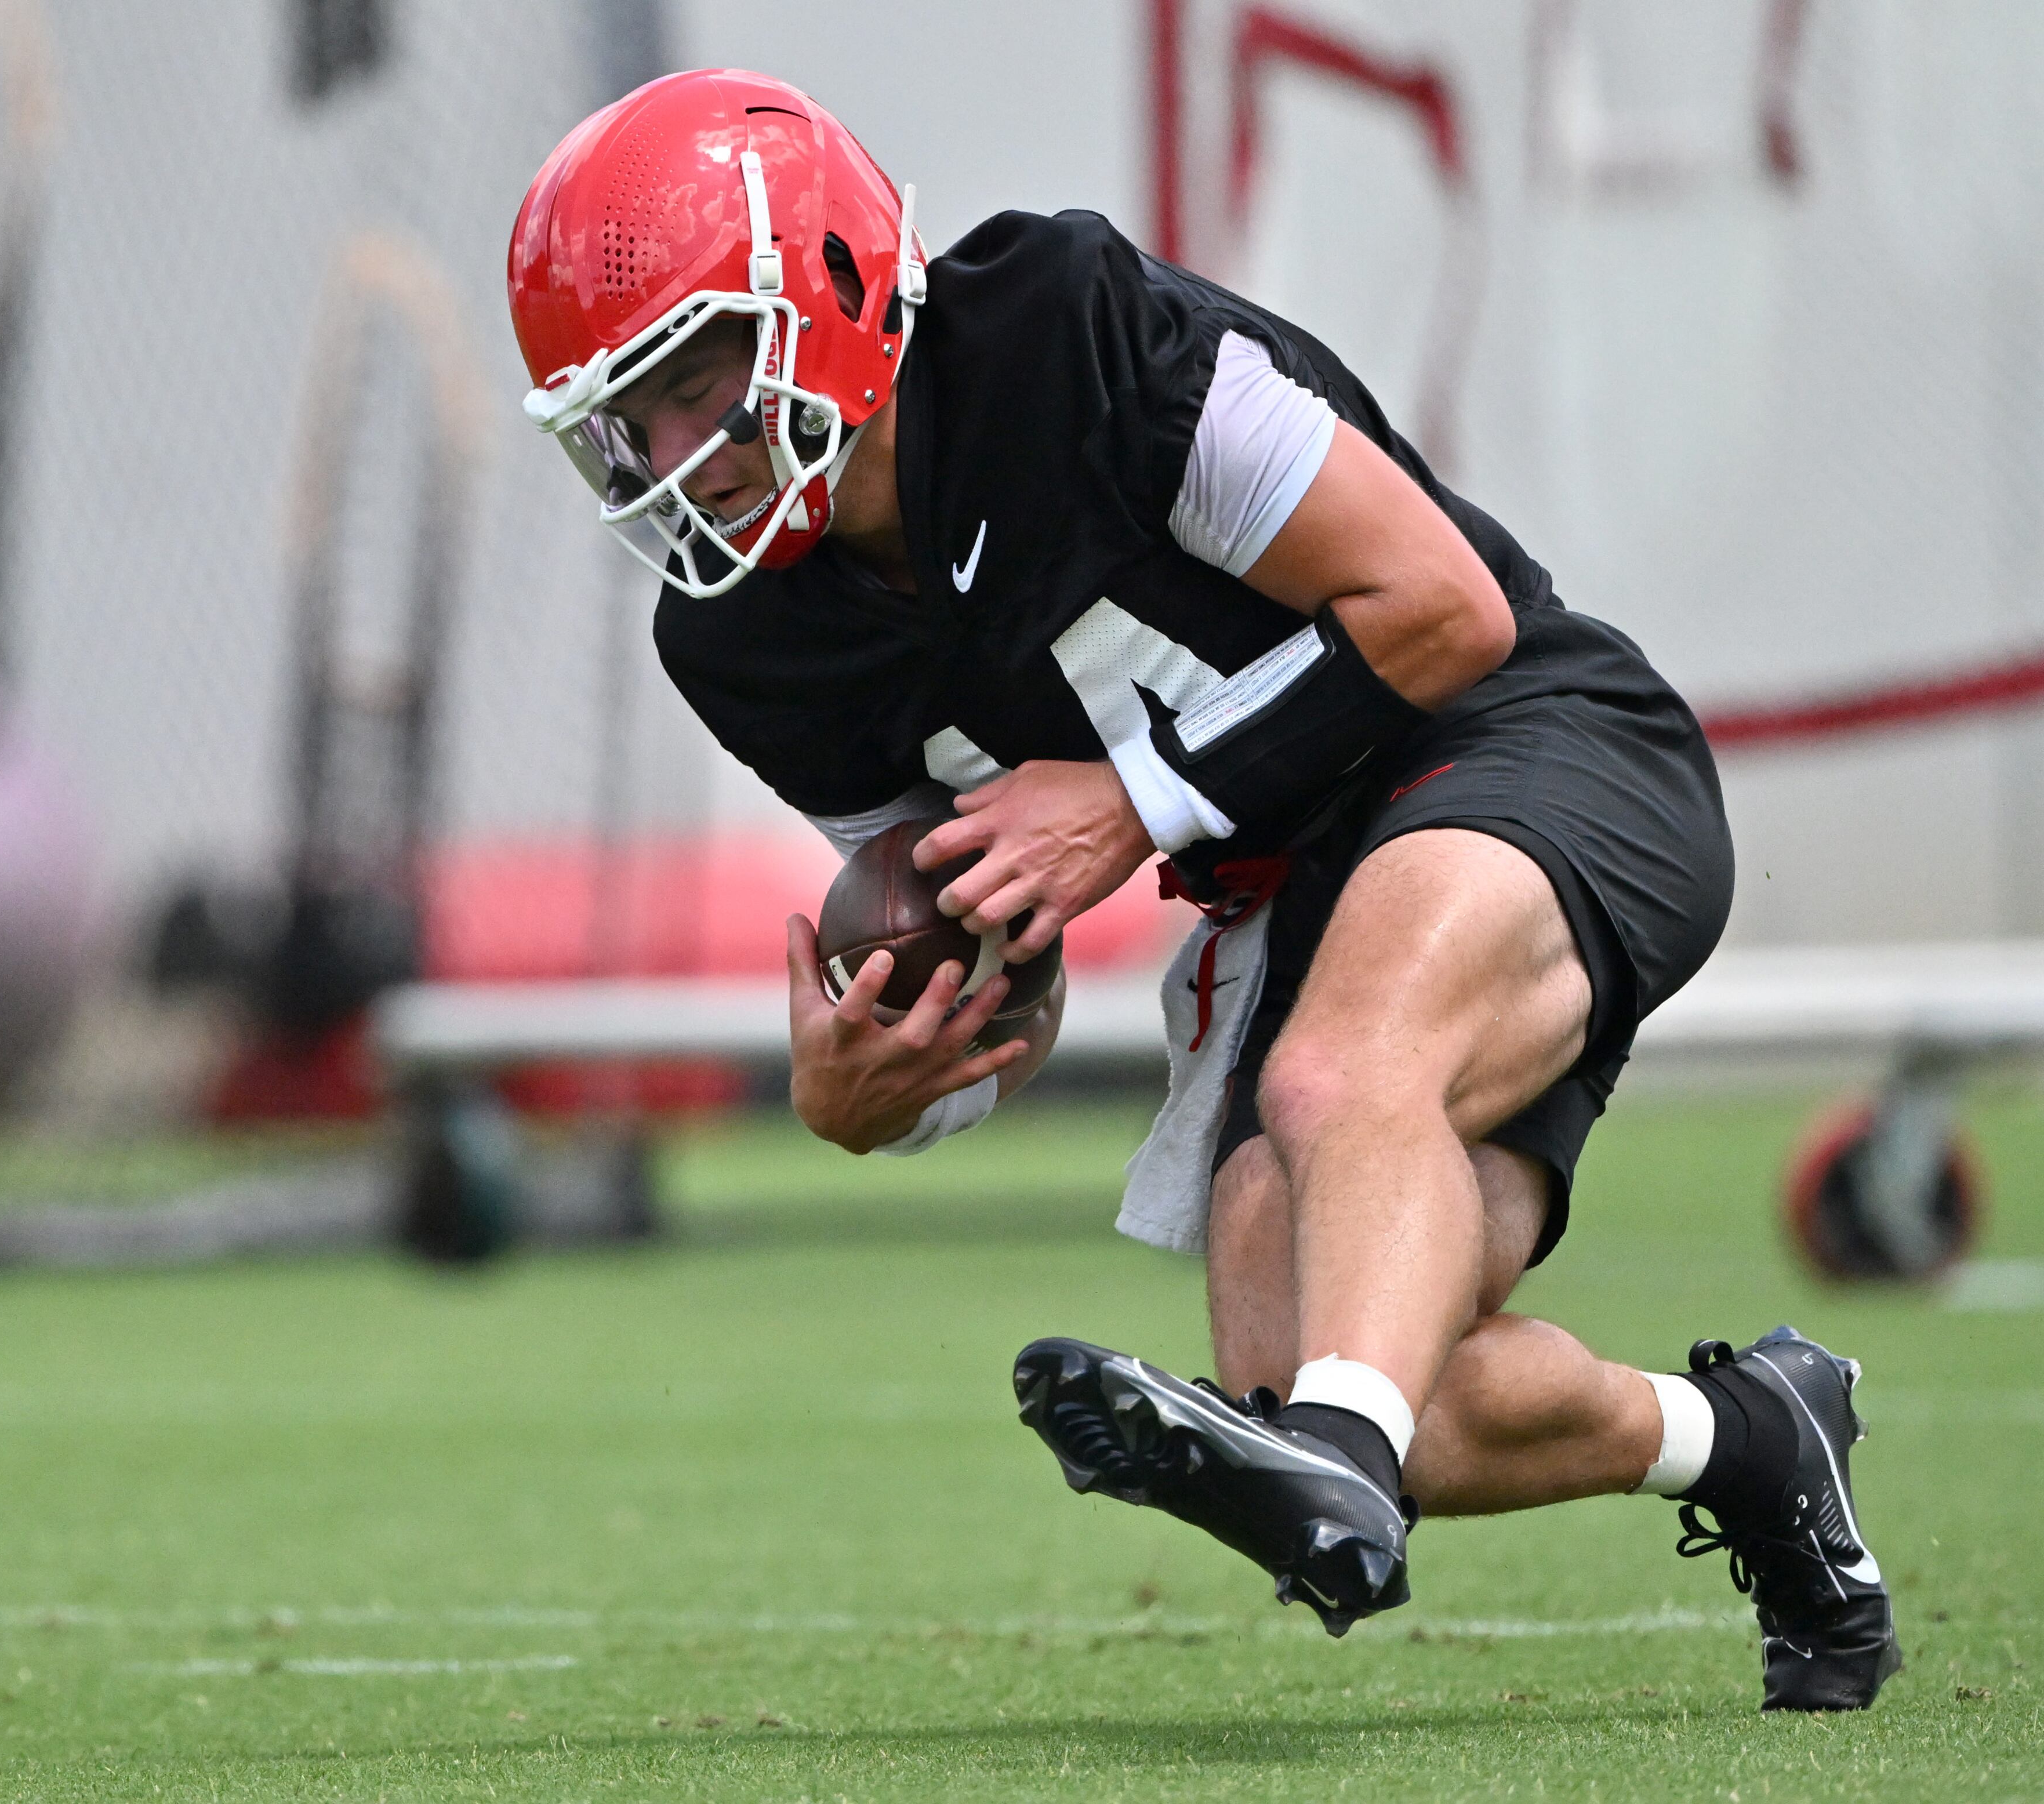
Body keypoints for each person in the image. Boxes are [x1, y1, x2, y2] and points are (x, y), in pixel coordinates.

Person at [507, 68, 1898, 1711]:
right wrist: (879, 1088)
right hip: (1295, 869)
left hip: (1526, 739)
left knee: (1336, 1083)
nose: (672, 454)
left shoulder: (1068, 335)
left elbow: (1444, 610)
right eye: (626, 412)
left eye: (694, 377)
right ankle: (1750, 1442)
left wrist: (1131, 800)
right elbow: (981, 934)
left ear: (830, 285)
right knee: (1346, 1372)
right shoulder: (746, 638)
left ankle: (1330, 1458)